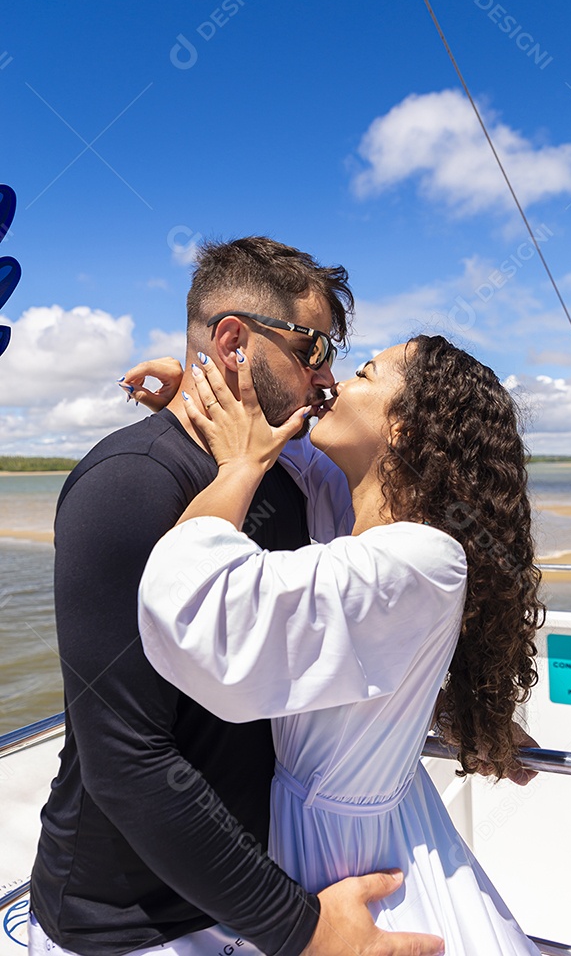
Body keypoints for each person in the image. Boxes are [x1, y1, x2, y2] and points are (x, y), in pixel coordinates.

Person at [29, 237, 447, 956]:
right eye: (313, 348)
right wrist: (305, 933)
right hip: (131, 924)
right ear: (234, 341)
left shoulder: (285, 477)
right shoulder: (130, 483)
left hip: (253, 891)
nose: (327, 378)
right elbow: (127, 760)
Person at [138, 335, 545, 953]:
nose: (332, 383)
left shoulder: (422, 555)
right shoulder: (344, 508)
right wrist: (198, 388)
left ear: (403, 427)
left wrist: (239, 469)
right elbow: (279, 430)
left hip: (351, 851)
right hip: (322, 827)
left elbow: (204, 614)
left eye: (364, 373)